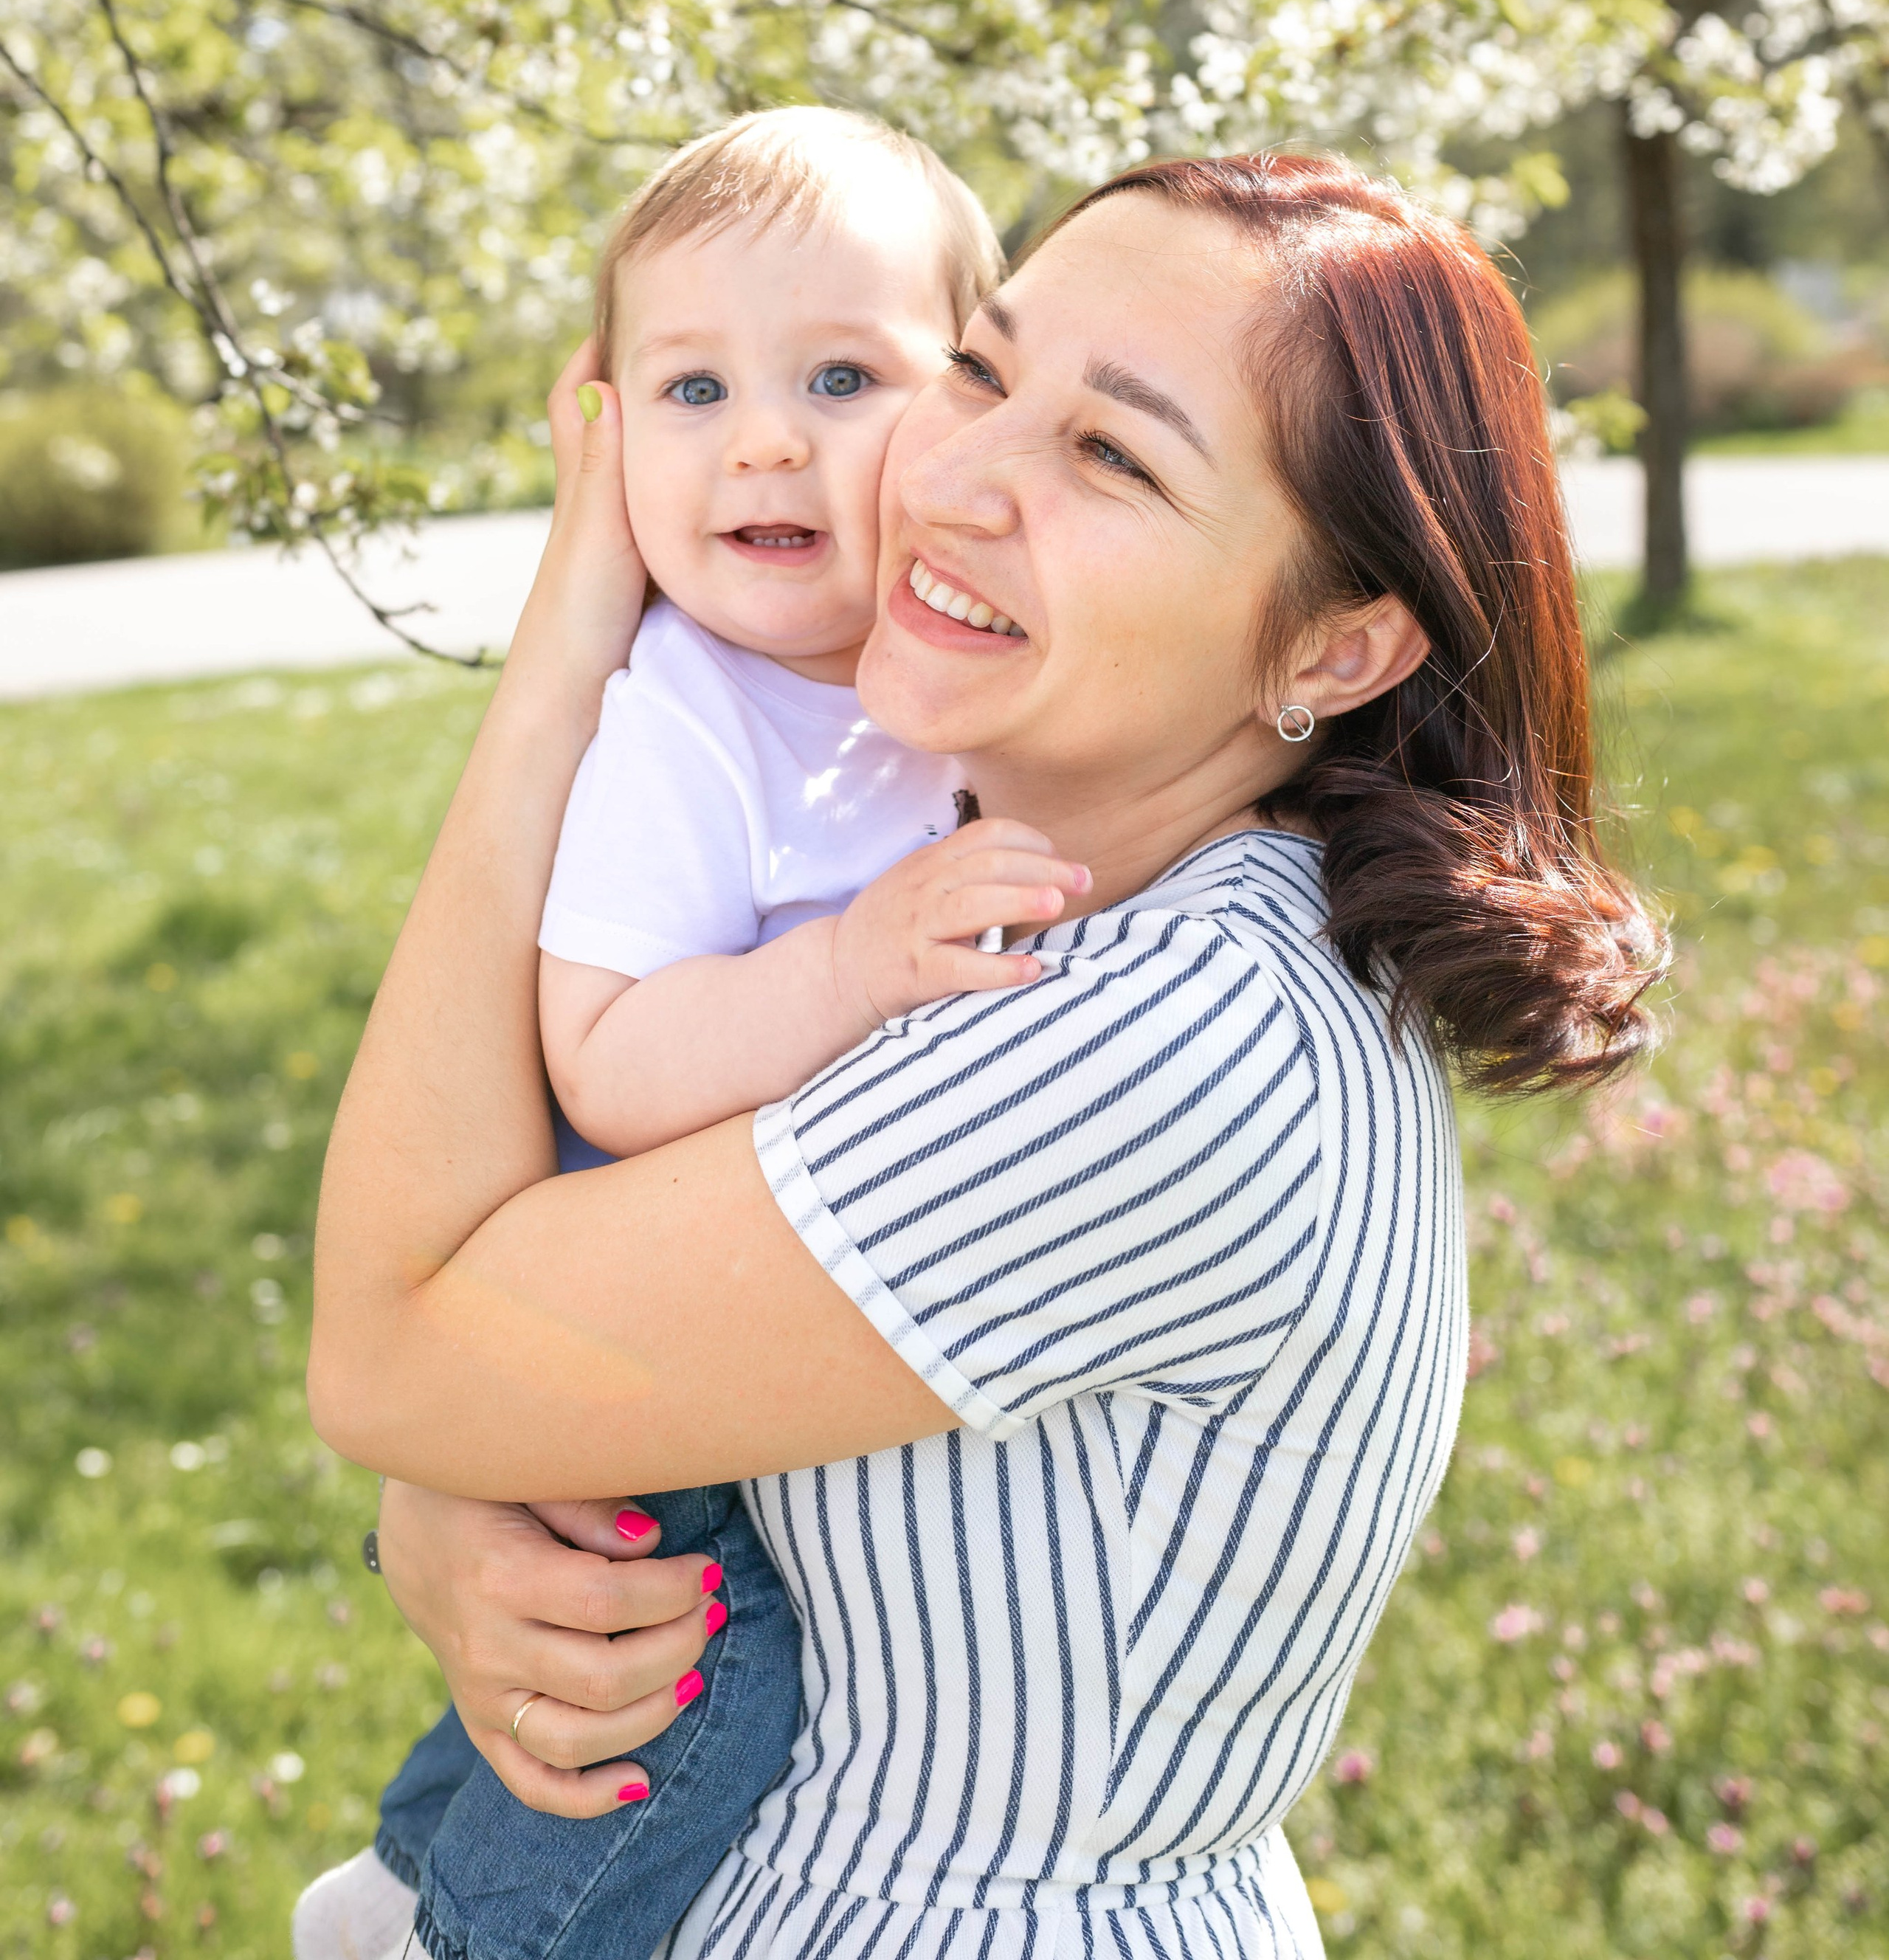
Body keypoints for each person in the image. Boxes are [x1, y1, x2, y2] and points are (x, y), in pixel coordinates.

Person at [311, 151, 1660, 1960]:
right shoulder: (997, 887)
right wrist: (466, 1520)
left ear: (1334, 644)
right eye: (979, 370)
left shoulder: (1153, 1050)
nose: (953, 479)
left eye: (1110, 455)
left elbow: (395, 1344)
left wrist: (566, 648)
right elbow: (482, 1372)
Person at [297, 107, 1089, 1960]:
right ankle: (451, 1927)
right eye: (690, 389)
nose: (764, 439)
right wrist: (850, 967)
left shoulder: (931, 676)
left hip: (807, 1289)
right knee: (678, 1703)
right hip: (651, 1324)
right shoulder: (689, 722)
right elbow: (606, 1058)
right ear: (607, 433)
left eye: (840, 374)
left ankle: (407, 1871)